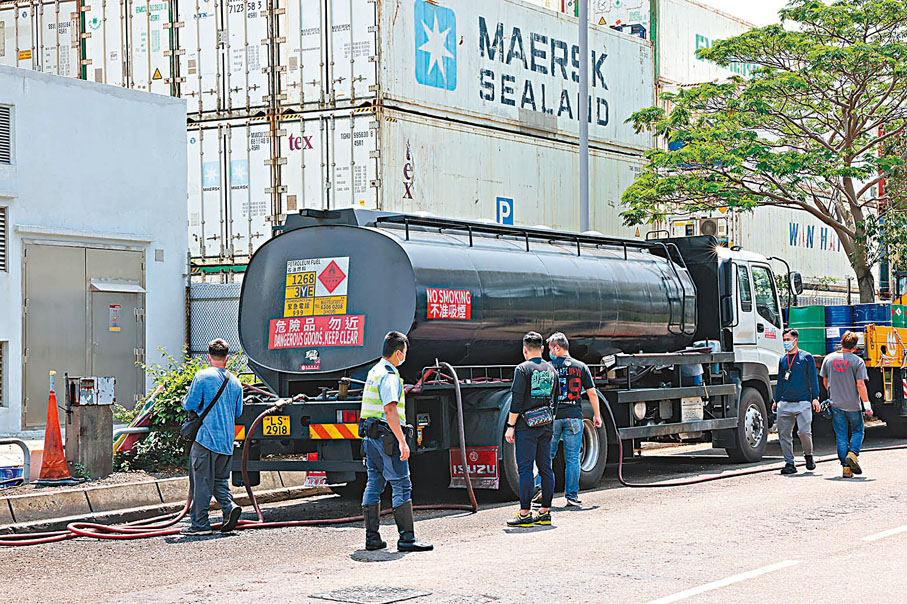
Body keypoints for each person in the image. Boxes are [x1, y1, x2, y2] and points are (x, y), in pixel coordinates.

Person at [359, 331, 433, 552]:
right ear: (399, 352)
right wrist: (402, 441)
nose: (405, 357)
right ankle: (407, 538)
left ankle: (372, 538)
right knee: (401, 483)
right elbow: (390, 409)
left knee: (374, 483)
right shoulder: (390, 375)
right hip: (387, 438)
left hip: (371, 437)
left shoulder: (374, 371)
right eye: (405, 353)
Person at [180, 339, 244, 536]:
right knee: (219, 481)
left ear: (208, 356)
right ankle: (229, 506)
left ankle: (199, 525)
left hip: (205, 440)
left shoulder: (202, 376)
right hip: (226, 442)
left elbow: (189, 404)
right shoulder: (235, 381)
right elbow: (239, 412)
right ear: (227, 358)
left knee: (201, 483)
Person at [532, 332, 602, 507]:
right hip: (574, 417)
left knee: (546, 456)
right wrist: (597, 415)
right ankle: (571, 496)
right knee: (572, 458)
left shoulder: (547, 367)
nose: (548, 352)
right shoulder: (581, 367)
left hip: (553, 418)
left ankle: (542, 490)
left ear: (557, 348)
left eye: (549, 348)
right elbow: (592, 393)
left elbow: (540, 395)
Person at [506, 332, 559, 527]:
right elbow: (556, 399)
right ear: (543, 349)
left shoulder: (522, 369)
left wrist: (511, 426)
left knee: (526, 469)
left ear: (524, 350)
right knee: (546, 468)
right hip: (546, 426)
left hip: (526, 427)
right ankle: (545, 513)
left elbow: (517, 400)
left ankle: (525, 513)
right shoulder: (552, 369)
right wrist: (549, 420)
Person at [820, 331, 872, 478]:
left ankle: (846, 468)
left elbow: (825, 381)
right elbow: (860, 384)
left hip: (836, 403)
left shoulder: (829, 359)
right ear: (855, 347)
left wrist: (834, 393)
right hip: (853, 405)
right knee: (858, 431)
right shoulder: (857, 361)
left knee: (841, 435)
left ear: (841, 343)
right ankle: (853, 454)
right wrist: (867, 404)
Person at [774, 328, 821, 475]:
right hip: (785, 402)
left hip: (803, 401)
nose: (786, 343)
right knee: (784, 434)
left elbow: (813, 378)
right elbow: (780, 381)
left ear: (796, 339)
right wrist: (776, 400)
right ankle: (789, 463)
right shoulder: (783, 359)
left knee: (804, 432)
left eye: (788, 340)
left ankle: (808, 455)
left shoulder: (806, 358)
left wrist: (815, 398)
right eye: (784, 340)